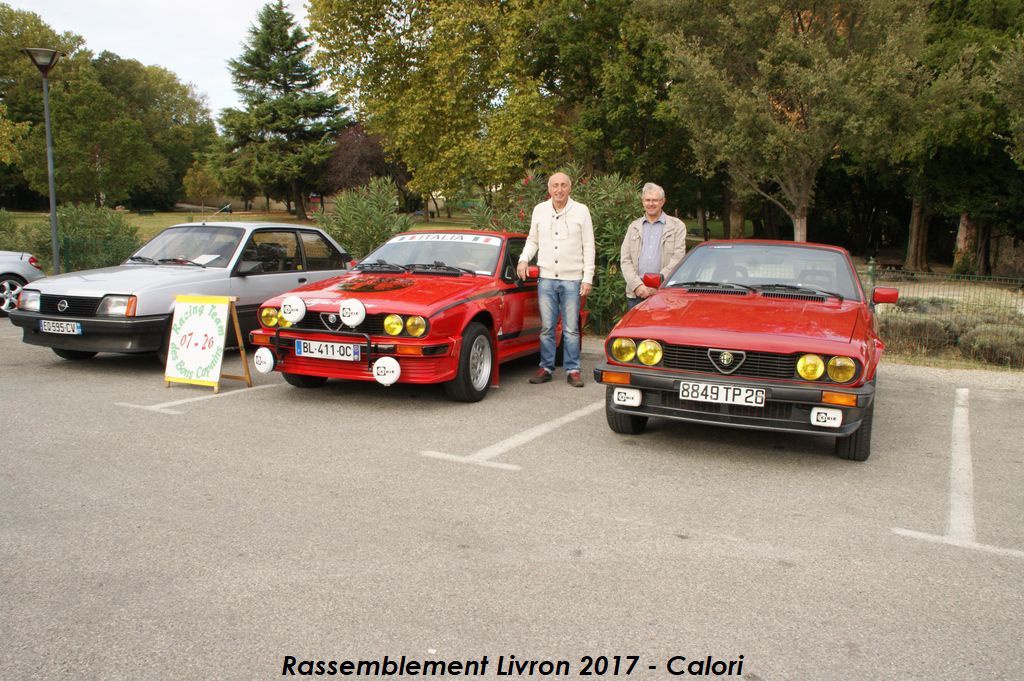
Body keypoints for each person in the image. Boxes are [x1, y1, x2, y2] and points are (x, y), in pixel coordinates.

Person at [517, 172, 595, 388]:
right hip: (547, 278)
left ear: (570, 187)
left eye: (563, 185)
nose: (559, 189)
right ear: (549, 189)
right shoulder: (539, 210)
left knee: (570, 328)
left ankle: (573, 369)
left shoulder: (581, 211)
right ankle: (546, 367)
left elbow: (589, 246)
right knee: (547, 327)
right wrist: (523, 260)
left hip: (572, 279)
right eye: (555, 186)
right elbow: (533, 240)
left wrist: (587, 277)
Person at [620, 182, 688, 309]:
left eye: (655, 200)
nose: (651, 204)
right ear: (642, 201)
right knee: (636, 329)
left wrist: (657, 284)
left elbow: (678, 259)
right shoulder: (634, 227)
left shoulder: (676, 226)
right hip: (636, 294)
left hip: (664, 293)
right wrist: (637, 286)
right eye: (647, 200)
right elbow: (625, 259)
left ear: (662, 201)